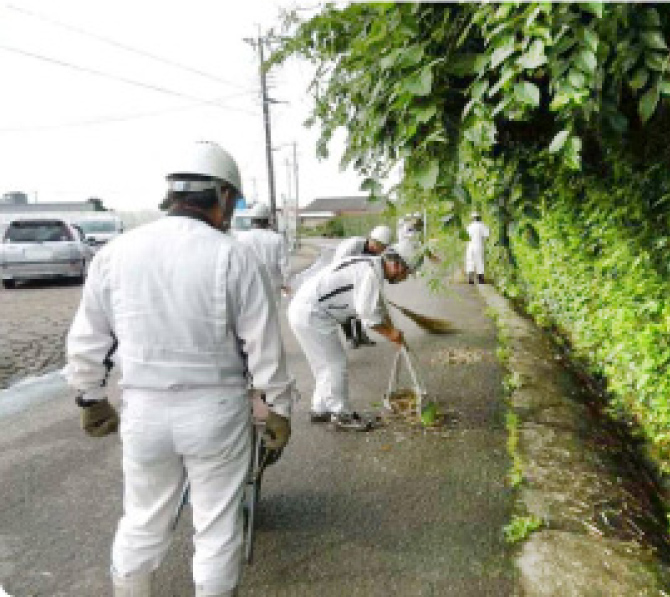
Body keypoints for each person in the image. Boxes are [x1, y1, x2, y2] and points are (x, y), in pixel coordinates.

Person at [64, 140, 296, 597]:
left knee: (143, 519)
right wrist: (280, 409)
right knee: (215, 525)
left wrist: (90, 398)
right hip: (215, 413)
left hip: (144, 412)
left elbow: (88, 338)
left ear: (173, 194)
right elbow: (264, 348)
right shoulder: (232, 255)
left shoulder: (116, 252)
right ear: (223, 197)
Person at [287, 239, 422, 431]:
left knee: (324, 365)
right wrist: (392, 334)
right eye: (407, 272)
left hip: (307, 310)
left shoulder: (372, 266)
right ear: (396, 264)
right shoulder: (371, 274)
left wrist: (393, 331)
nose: (405, 278)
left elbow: (378, 308)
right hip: (311, 314)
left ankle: (321, 408)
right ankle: (341, 415)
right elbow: (368, 316)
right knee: (335, 364)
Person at [332, 225, 394, 348]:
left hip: (360, 280)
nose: (378, 249)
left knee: (362, 305)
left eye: (382, 247)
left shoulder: (377, 254)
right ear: (370, 239)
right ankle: (350, 338)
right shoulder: (352, 245)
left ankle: (361, 336)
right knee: (346, 309)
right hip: (341, 278)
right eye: (377, 244)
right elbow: (336, 266)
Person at [237, 202, 290, 297]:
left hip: (250, 286)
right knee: (273, 311)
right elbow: (284, 265)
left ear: (252, 220)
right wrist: (285, 283)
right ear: (268, 220)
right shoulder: (277, 238)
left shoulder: (241, 238)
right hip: (273, 286)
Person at [465, 211, 490, 284]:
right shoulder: (482, 225)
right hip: (478, 245)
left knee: (470, 261)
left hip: (470, 246)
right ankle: (481, 279)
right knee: (479, 261)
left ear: (472, 218)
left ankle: (470, 278)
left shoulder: (469, 227)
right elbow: (487, 235)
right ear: (479, 218)